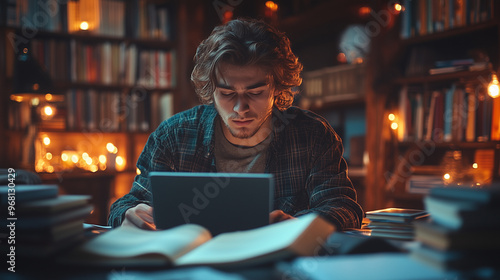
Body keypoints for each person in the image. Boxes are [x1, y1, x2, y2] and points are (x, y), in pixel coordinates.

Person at [108, 18, 363, 231]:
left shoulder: (313, 136)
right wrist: (128, 214)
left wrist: (297, 226)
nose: (241, 108)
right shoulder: (173, 136)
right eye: (227, 94)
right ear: (211, 90)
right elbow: (125, 205)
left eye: (256, 92)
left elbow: (342, 206)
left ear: (278, 87)